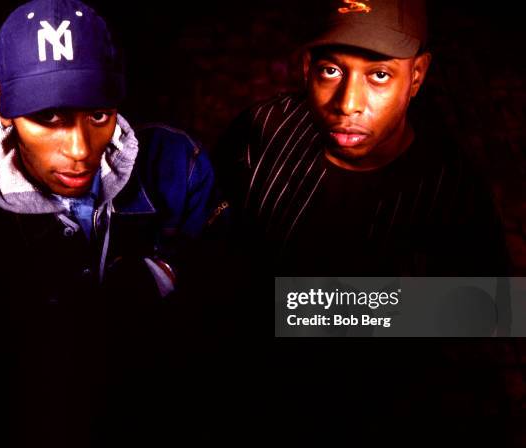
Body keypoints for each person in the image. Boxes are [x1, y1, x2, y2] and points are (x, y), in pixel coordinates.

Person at [0, 0, 220, 448]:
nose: (79, 149)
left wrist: (160, 276)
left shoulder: (177, 164)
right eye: (48, 118)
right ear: (0, 102)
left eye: (98, 115)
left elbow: (235, 299)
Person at [216, 0, 509, 277]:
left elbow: (491, 312)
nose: (347, 103)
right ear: (307, 68)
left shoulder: (451, 193)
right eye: (331, 71)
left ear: (416, 76)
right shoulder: (264, 130)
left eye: (379, 75)